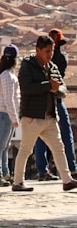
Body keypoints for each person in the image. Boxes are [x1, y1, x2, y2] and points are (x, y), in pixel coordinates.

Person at [12, 35, 77, 192]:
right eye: (47, 51)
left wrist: (56, 89)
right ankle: (17, 182)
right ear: (38, 50)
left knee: (58, 148)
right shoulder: (27, 65)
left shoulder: (52, 67)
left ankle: (67, 180)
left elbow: (63, 89)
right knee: (26, 150)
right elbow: (26, 87)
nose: (50, 54)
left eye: (52, 50)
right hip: (32, 116)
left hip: (50, 116)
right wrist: (48, 86)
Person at [34, 29, 77, 181]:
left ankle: (41, 170)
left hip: (40, 101)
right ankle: (72, 168)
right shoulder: (62, 58)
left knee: (39, 137)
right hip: (57, 99)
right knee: (66, 135)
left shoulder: (36, 61)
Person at [0, 44, 20, 187]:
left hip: (3, 113)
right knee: (0, 146)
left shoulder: (5, 74)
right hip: (4, 113)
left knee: (5, 146)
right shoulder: (7, 76)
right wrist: (15, 118)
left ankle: (5, 173)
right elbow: (9, 99)